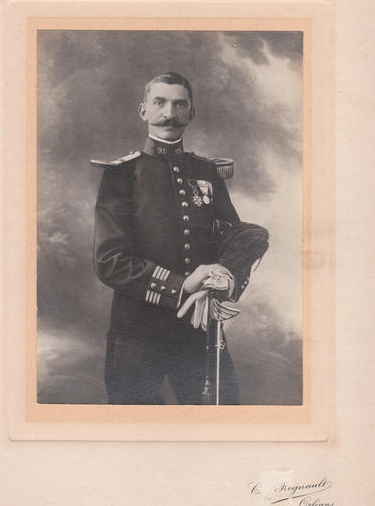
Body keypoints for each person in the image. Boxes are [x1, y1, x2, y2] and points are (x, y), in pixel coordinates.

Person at [91, 72, 268, 404]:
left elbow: (232, 236)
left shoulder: (207, 173)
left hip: (198, 330)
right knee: (134, 425)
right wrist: (183, 285)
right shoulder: (122, 175)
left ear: (191, 113)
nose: (169, 113)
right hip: (137, 332)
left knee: (220, 417)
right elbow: (110, 262)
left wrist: (226, 278)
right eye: (159, 102)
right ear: (143, 110)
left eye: (179, 104)